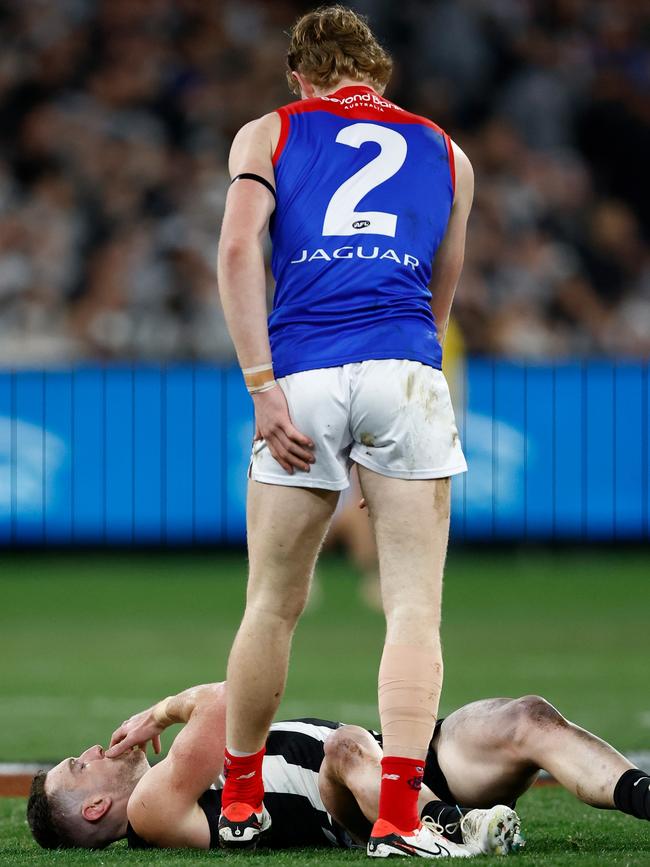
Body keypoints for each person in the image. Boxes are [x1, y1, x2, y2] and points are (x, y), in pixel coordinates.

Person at [217, 6, 473, 856]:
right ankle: (400, 818)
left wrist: (262, 387)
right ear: (379, 71)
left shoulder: (269, 132)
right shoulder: (446, 151)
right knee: (412, 607)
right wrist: (400, 410)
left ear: (300, 75)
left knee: (272, 604)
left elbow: (237, 252)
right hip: (405, 365)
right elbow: (442, 292)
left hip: (304, 373)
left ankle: (244, 803)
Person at [27, 682, 650, 854]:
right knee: (346, 747)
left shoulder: (159, 794)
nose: (91, 751)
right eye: (77, 767)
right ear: (94, 808)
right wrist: (161, 712)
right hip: (354, 804)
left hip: (402, 756)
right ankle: (450, 826)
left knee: (526, 717)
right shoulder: (149, 809)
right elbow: (226, 698)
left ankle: (641, 794)